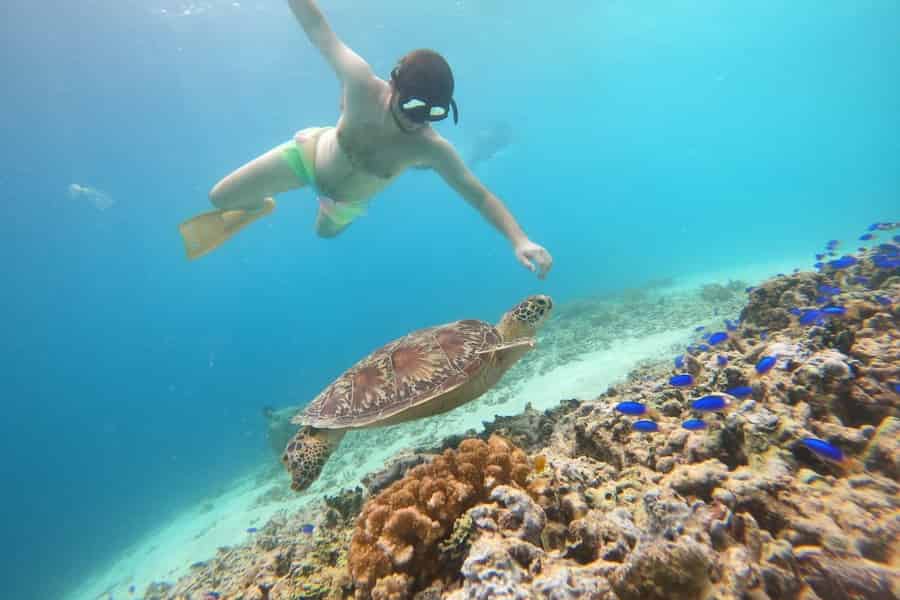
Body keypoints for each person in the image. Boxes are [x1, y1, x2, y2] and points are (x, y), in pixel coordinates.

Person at [178, 0, 552, 279]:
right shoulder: (359, 82)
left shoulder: (430, 147)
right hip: (308, 157)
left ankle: (319, 210)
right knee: (220, 197)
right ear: (394, 84)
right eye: (414, 106)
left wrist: (519, 239)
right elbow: (317, 27)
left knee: (324, 236)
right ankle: (260, 207)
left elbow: (479, 195)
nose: (418, 121)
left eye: (433, 114)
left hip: (344, 202)